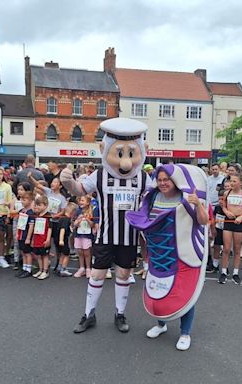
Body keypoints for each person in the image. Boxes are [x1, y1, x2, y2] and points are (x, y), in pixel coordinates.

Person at [61, 117, 151, 334]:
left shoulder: (143, 178)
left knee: (122, 275)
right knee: (97, 275)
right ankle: (88, 314)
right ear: (105, 149)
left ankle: (120, 313)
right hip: (105, 236)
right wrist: (68, 182)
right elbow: (80, 189)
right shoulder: (99, 175)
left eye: (132, 153)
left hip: (129, 237)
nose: (126, 162)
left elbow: (161, 193)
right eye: (120, 153)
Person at [126, 164, 208, 351]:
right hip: (158, 254)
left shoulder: (187, 197)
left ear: (175, 180)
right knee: (157, 288)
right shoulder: (152, 196)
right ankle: (161, 324)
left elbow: (203, 222)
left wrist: (197, 204)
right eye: (160, 179)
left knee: (186, 294)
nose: (163, 183)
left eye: (166, 179)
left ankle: (185, 333)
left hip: (182, 255)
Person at [220, 174, 242, 284]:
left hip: (239, 221)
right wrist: (227, 212)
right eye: (231, 181)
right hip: (228, 222)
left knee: (237, 249)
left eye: (234, 181)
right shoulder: (226, 193)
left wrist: (241, 217)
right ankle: (223, 271)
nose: (232, 183)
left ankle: (235, 273)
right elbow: (223, 205)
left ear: (240, 183)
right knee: (226, 248)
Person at [30, 194, 53, 280]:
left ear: (45, 205)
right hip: (37, 239)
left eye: (40, 205)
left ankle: (45, 271)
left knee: (45, 255)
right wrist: (33, 239)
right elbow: (35, 228)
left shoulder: (48, 215)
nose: (37, 207)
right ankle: (40, 269)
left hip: (44, 239)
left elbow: (50, 228)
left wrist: (48, 239)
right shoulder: (37, 215)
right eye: (36, 205)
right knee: (38, 256)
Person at [72, 195, 95, 278]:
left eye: (82, 200)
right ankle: (82, 268)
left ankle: (88, 268)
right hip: (78, 234)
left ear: (88, 202)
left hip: (87, 235)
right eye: (80, 200)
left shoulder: (91, 211)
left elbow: (92, 225)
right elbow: (74, 224)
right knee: (80, 252)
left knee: (87, 252)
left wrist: (87, 219)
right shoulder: (77, 211)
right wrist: (78, 220)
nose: (81, 202)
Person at [14, 191, 35, 278]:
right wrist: (17, 233)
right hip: (20, 234)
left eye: (25, 200)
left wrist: (28, 238)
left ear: (30, 201)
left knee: (28, 253)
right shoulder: (21, 211)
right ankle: (24, 267)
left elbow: (31, 226)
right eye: (21, 199)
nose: (22, 201)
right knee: (23, 252)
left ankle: (29, 269)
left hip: (26, 235)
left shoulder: (30, 213)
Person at [57, 202, 77, 277]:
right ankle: (63, 269)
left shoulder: (62, 218)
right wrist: (61, 240)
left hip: (61, 239)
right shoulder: (66, 220)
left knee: (62, 254)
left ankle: (59, 267)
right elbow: (63, 230)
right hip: (63, 240)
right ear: (72, 212)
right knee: (66, 254)